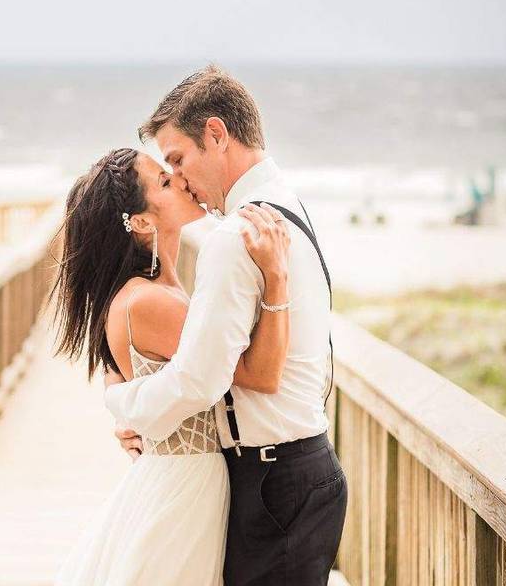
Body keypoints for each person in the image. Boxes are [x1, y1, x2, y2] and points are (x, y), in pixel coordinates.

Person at [105, 66, 347, 585]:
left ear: (216, 135)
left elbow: (201, 378)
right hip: (293, 469)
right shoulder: (286, 204)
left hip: (275, 478)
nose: (182, 180)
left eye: (178, 160)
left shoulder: (238, 235)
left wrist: (125, 403)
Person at [50, 146, 292, 585]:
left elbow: (128, 375)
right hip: (186, 489)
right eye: (164, 181)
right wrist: (277, 278)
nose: (180, 180)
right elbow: (261, 375)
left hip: (178, 479)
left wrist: (123, 403)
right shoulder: (152, 302)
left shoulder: (151, 292)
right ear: (141, 222)